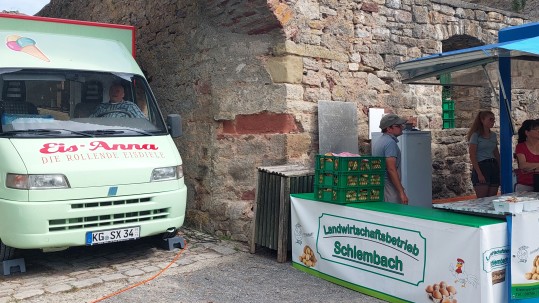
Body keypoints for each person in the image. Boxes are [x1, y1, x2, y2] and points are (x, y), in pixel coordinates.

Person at [372, 113, 409, 204]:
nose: (401, 127)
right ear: (389, 129)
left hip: (381, 185)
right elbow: (391, 169)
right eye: (398, 126)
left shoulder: (379, 141)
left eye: (401, 125)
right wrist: (401, 192)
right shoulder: (390, 143)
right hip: (389, 187)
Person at [466, 111, 500, 198]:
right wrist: (479, 173)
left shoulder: (493, 135)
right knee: (482, 199)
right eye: (490, 119)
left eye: (493, 120)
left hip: (493, 165)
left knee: (492, 197)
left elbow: (496, 152)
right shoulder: (476, 135)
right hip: (482, 165)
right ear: (482, 120)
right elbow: (472, 155)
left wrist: (500, 167)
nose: (492, 122)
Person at [514, 119, 539, 192]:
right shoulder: (521, 146)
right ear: (527, 132)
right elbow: (523, 166)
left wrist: (531, 168)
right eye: (536, 129)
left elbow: (526, 168)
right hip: (525, 185)